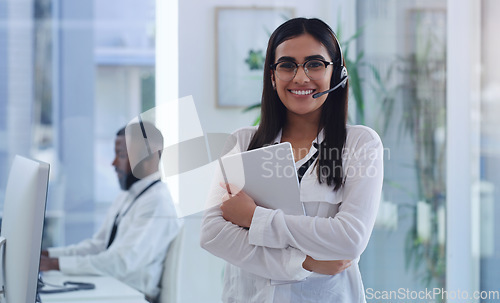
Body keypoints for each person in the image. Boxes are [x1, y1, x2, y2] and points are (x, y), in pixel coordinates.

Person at [200, 17, 383, 302]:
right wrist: (304, 263)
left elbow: (349, 240)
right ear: (272, 76)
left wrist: (254, 218)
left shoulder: (361, 143)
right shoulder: (242, 142)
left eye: (314, 64)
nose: (300, 77)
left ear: (336, 74)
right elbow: (213, 234)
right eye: (287, 65)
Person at [40, 122, 182, 303]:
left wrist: (56, 264)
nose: (113, 163)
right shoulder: (128, 196)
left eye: (121, 155)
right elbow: (99, 246)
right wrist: (50, 255)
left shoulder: (158, 203)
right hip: (112, 289)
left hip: (131, 296)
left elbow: (121, 262)